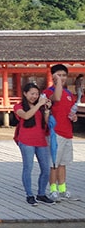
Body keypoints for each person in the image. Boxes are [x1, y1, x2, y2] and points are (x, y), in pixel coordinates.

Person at [14, 83, 55, 205]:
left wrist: (47, 110)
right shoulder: (18, 106)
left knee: (46, 169)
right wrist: (38, 104)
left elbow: (46, 123)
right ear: (25, 93)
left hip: (41, 140)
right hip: (26, 140)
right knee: (28, 167)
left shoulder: (40, 107)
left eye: (36, 94)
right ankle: (29, 194)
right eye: (32, 94)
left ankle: (41, 193)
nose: (34, 96)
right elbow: (26, 116)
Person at [43, 64, 79, 202]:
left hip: (67, 133)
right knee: (53, 163)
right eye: (59, 75)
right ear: (52, 76)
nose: (62, 78)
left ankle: (63, 189)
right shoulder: (48, 92)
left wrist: (73, 117)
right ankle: (53, 190)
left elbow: (69, 112)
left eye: (64, 75)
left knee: (63, 163)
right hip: (54, 133)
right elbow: (56, 98)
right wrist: (57, 82)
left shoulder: (69, 94)